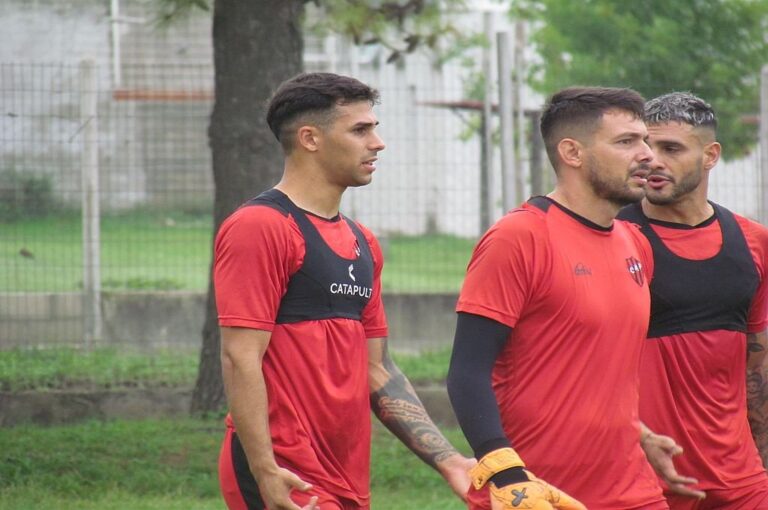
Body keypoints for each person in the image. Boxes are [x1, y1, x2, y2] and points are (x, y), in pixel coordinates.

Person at [214, 72, 473, 510]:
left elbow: (377, 369)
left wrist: (449, 461)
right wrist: (264, 470)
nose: (378, 143)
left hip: (345, 475)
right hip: (287, 474)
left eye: (374, 128)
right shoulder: (260, 227)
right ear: (310, 138)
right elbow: (240, 357)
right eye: (360, 129)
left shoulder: (362, 243)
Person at [446, 86, 692, 510]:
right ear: (572, 153)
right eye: (626, 142)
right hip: (536, 496)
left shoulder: (635, 243)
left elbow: (596, 366)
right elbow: (467, 373)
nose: (648, 155)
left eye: (646, 141)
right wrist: (507, 475)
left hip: (635, 493)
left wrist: (641, 435)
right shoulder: (519, 237)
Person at [617, 92, 768, 509]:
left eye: (671, 148)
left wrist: (763, 460)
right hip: (644, 483)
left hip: (740, 482)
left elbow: (756, 363)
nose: (653, 160)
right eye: (646, 145)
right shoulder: (614, 237)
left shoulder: (753, 242)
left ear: (710, 155)